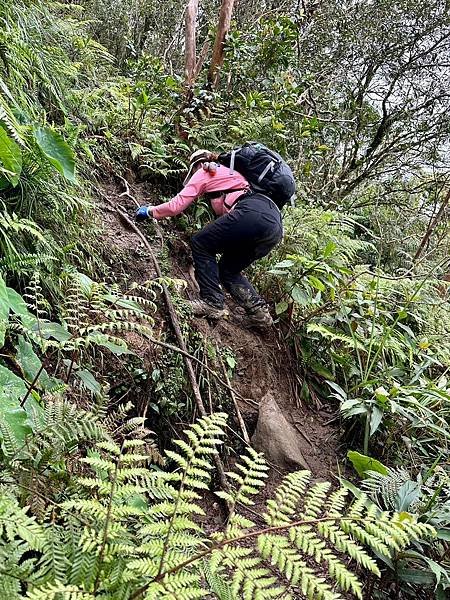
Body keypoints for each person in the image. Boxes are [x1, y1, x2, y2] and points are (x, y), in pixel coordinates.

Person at [135, 149, 283, 327]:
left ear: (196, 164)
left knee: (201, 243)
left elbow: (176, 206)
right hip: (273, 226)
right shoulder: (233, 174)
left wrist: (149, 211)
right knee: (228, 270)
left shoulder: (204, 171)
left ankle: (212, 302)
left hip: (252, 214)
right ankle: (260, 314)